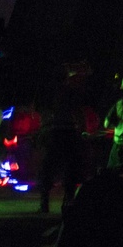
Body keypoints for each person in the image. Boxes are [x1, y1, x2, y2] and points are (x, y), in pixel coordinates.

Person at [38, 74, 86, 212]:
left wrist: (43, 130)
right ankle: (68, 201)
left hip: (55, 131)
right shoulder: (71, 93)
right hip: (68, 131)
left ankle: (45, 203)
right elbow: (78, 111)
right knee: (69, 167)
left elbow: (44, 113)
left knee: (48, 167)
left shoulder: (52, 93)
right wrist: (82, 130)